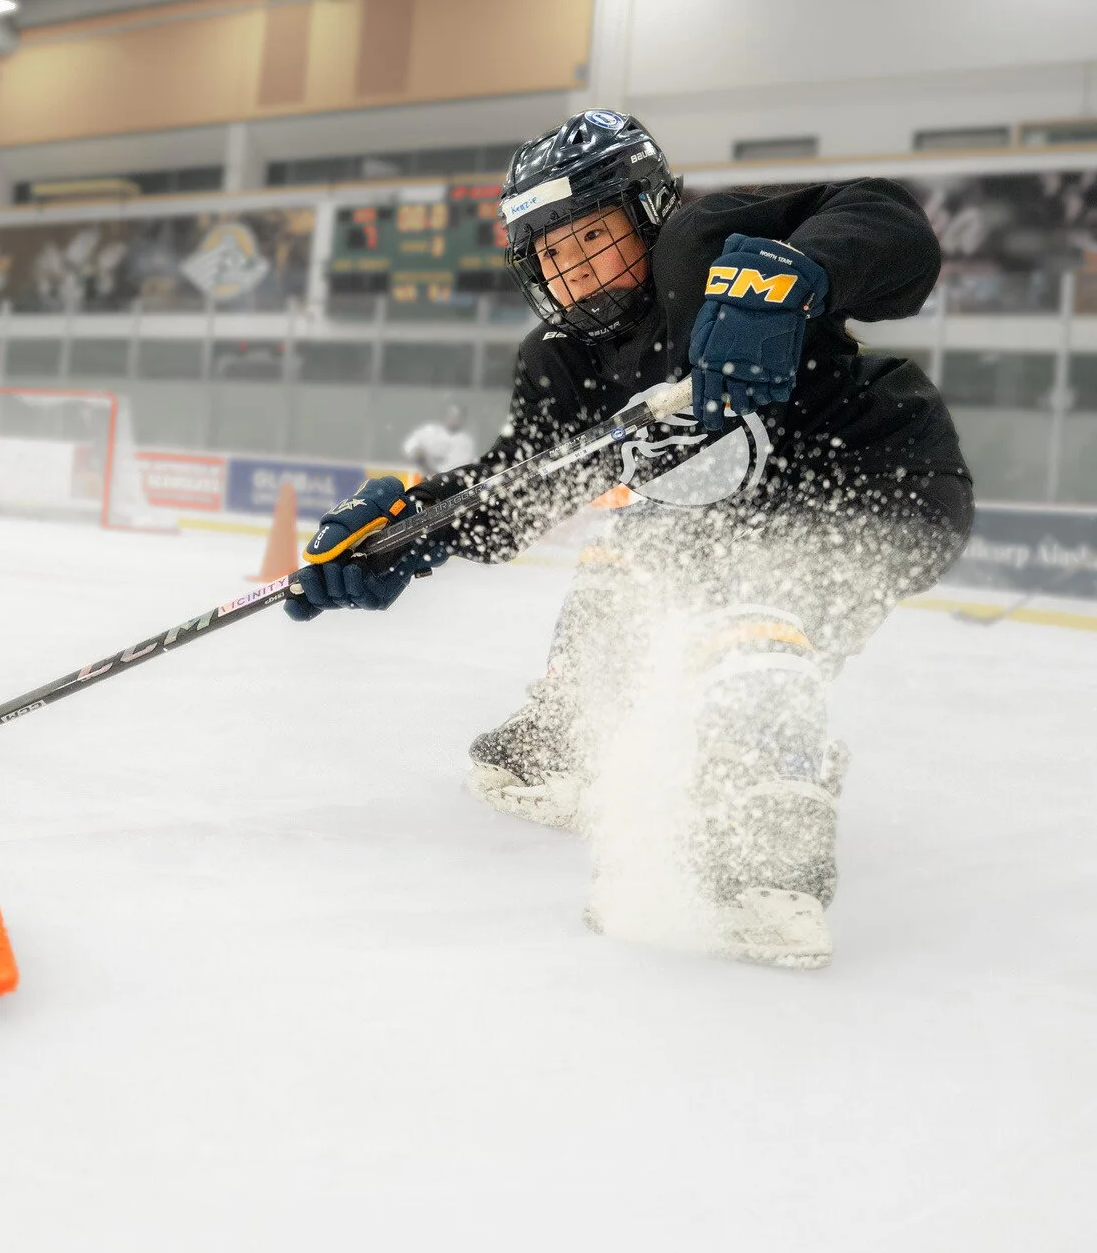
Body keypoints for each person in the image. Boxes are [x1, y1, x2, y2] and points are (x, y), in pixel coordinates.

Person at [284, 109, 973, 971]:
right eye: (553, 257)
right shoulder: (563, 362)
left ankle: (769, 838)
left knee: (753, 608)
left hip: (881, 480)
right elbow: (520, 490)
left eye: (591, 240)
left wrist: (794, 272)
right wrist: (410, 529)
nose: (574, 272)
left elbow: (887, 220)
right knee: (631, 553)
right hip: (730, 514)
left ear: (647, 212)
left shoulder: (704, 248)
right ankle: (572, 733)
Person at [401, 400, 476, 479]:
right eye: (450, 415)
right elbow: (409, 445)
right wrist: (417, 452)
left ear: (462, 419)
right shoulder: (430, 430)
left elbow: (458, 466)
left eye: (456, 416)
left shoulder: (465, 442)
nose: (452, 419)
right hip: (421, 478)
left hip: (444, 482)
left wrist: (433, 471)